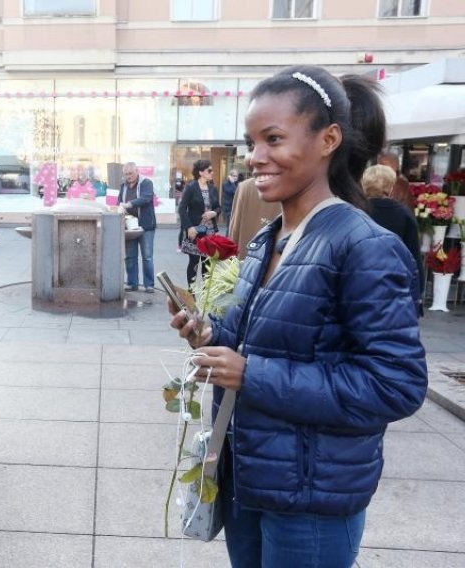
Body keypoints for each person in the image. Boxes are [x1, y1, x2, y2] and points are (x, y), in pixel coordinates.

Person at [169, 65, 427, 567]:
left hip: (311, 503)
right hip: (249, 482)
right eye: (251, 141)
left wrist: (250, 374)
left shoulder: (364, 246)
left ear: (328, 139)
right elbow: (268, 344)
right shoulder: (271, 238)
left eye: (273, 139)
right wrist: (208, 336)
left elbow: (396, 384)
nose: (255, 157)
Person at [363, 164, 424, 314]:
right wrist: (418, 293)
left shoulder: (354, 211)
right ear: (390, 187)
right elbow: (413, 256)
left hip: (360, 282)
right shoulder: (404, 215)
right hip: (393, 285)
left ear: (364, 185)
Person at [178, 159, 220, 285]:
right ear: (201, 172)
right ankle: (192, 294)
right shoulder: (191, 187)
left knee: (207, 263)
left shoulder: (213, 188)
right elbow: (181, 208)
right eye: (209, 170)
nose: (212, 173)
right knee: (194, 262)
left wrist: (214, 213)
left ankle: (206, 295)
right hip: (195, 232)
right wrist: (189, 227)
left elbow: (218, 207)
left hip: (210, 233)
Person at [118, 162, 156, 292]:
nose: (128, 176)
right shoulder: (123, 186)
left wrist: (129, 204)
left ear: (137, 171)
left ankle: (149, 284)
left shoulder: (146, 183)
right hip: (129, 225)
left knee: (147, 256)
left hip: (145, 225)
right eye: (126, 174)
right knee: (130, 256)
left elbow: (146, 198)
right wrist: (120, 207)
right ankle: (132, 283)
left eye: (130, 173)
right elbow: (119, 202)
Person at [227, 177, 281, 260]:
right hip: (273, 259)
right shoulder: (289, 188)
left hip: (245, 256)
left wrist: (230, 254)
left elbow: (235, 227)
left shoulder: (244, 186)